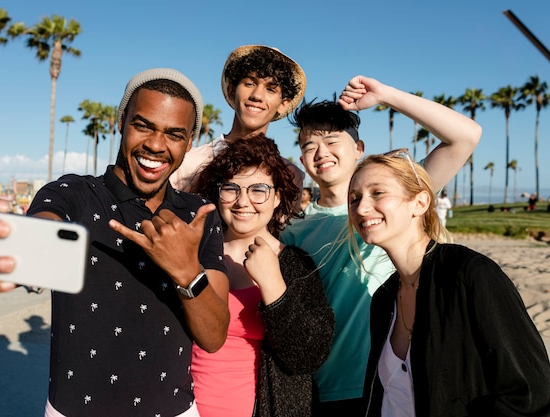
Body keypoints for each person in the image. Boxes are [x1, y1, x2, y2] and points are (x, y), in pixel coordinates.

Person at [0, 68, 230, 417]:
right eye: (143, 125)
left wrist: (187, 271)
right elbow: (38, 246)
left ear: (189, 142)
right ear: (121, 122)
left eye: (174, 134)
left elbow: (214, 335)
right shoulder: (72, 194)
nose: (156, 145)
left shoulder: (199, 215)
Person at [281, 75, 482, 416]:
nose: (321, 153)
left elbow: (465, 136)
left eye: (332, 141)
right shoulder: (294, 230)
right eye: (308, 146)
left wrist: (386, 95)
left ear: (358, 149)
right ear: (302, 161)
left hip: (397, 380)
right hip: (325, 387)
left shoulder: (394, 200)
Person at [347, 152, 550, 416]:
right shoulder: (384, 298)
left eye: (377, 193)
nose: (361, 208)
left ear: (419, 203)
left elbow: (532, 393)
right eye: (354, 198)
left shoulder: (470, 274)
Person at [189, 134, 334, 417]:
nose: (243, 201)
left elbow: (309, 355)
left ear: (277, 196)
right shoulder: (194, 253)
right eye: (230, 188)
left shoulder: (295, 264)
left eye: (258, 190)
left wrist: (274, 288)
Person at [171, 45, 306, 192]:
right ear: (231, 91)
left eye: (271, 89)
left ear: (283, 104)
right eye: (249, 83)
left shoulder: (290, 177)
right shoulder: (188, 163)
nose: (257, 95)